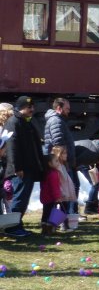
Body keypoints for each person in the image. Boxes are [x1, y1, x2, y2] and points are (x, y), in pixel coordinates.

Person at [3, 96, 44, 237]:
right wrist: (17, 168)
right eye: (29, 107)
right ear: (21, 108)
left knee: (24, 198)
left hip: (28, 168)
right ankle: (12, 228)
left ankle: (17, 225)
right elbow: (12, 147)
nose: (32, 109)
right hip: (20, 170)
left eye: (32, 106)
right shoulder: (14, 122)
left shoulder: (26, 121)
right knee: (19, 198)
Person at [43, 98, 78, 213]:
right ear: (59, 108)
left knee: (66, 189)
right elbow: (58, 142)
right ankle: (64, 219)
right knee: (64, 191)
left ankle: (65, 218)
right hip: (61, 162)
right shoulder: (56, 121)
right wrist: (64, 160)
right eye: (67, 108)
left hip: (62, 161)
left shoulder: (57, 120)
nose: (69, 111)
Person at [51, 145, 77, 230]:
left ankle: (63, 225)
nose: (66, 155)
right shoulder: (57, 167)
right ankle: (56, 225)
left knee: (64, 207)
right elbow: (58, 181)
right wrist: (60, 192)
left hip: (64, 191)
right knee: (59, 208)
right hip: (60, 191)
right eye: (64, 153)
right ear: (58, 155)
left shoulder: (63, 165)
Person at [39, 153, 63, 236]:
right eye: (56, 161)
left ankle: (44, 229)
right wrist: (57, 197)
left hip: (45, 197)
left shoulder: (45, 173)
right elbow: (54, 187)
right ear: (49, 163)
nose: (58, 163)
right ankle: (49, 230)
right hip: (51, 198)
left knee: (45, 213)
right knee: (50, 214)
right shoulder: (53, 174)